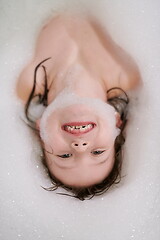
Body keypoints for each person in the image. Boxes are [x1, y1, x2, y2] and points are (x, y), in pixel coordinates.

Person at [16, 14, 141, 200]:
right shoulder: (128, 73)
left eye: (65, 156)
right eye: (97, 152)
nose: (80, 147)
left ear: (41, 129)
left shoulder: (23, 82)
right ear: (116, 123)